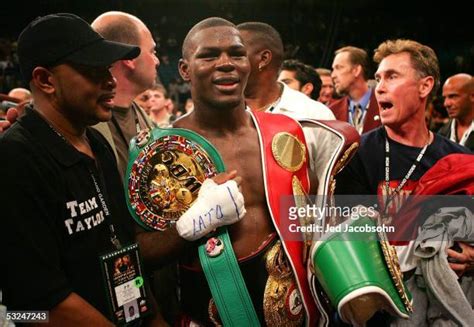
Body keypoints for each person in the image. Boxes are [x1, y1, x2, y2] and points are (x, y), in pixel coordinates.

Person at [147, 17, 325, 326]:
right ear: (184, 70)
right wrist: (194, 225)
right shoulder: (162, 151)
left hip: (297, 313)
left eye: (236, 53)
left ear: (251, 63)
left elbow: (315, 218)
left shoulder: (286, 132)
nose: (226, 63)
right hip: (208, 314)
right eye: (209, 55)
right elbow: (138, 253)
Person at [0, 13, 166, 325]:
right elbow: (34, 305)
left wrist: (154, 319)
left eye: (108, 69)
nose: (110, 81)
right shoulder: (15, 158)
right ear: (46, 80)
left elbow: (124, 252)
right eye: (93, 71)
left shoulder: (95, 143)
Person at [335, 39, 473, 324]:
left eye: (392, 76)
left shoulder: (461, 159)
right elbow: (350, 241)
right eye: (378, 78)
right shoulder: (355, 155)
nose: (380, 88)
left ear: (424, 87)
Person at [90, 11, 158, 180]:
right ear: (129, 57)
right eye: (152, 51)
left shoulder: (145, 119)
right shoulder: (82, 123)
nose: (157, 61)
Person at [237, 21, 335, 120]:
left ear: (264, 59)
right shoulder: (221, 111)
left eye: (236, 54)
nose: (224, 63)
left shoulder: (315, 114)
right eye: (219, 55)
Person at [330, 46, 381, 133]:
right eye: (333, 69)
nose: (333, 75)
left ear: (356, 70)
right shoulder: (332, 111)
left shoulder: (384, 105)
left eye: (339, 68)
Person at [438, 73, 474, 151]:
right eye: (445, 98)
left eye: (453, 96)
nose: (446, 103)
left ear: (472, 96)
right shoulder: (442, 133)